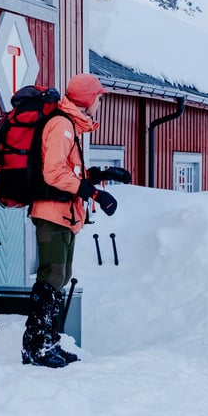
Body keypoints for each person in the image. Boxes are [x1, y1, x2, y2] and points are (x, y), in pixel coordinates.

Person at [21, 73, 131, 368]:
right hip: (51, 213)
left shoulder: (71, 125)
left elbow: (71, 171)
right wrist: (94, 193)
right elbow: (54, 172)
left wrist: (104, 174)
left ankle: (50, 340)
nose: (100, 102)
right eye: (98, 97)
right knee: (51, 277)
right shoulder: (62, 126)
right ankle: (36, 345)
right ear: (87, 99)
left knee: (61, 276)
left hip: (64, 214)